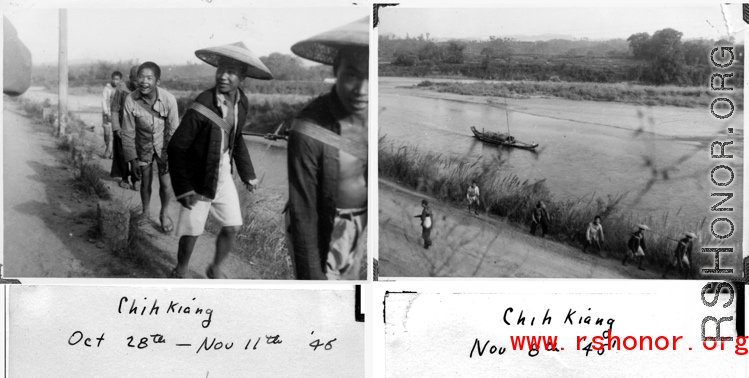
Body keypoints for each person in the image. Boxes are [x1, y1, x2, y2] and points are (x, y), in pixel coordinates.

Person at [167, 42, 270, 279]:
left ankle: (214, 268)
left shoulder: (241, 102)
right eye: (221, 70)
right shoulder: (204, 103)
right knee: (193, 229)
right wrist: (183, 188)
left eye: (232, 72)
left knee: (232, 225)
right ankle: (180, 270)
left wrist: (248, 174)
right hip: (199, 174)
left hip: (222, 173)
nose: (224, 76)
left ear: (242, 76)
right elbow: (176, 146)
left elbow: (236, 136)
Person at [286, 17, 369, 280]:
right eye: (353, 75)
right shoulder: (308, 129)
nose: (362, 90)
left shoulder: (377, 115)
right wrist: (313, 281)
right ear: (336, 70)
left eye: (372, 76)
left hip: (361, 222)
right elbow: (304, 213)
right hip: (327, 223)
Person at [121, 61, 179, 233]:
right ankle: (145, 213)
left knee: (165, 182)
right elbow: (128, 132)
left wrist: (172, 156)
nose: (144, 81)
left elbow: (174, 131)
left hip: (165, 145)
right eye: (141, 77)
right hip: (143, 144)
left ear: (158, 81)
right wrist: (132, 160)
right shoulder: (130, 100)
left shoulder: (169, 100)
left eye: (149, 78)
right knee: (145, 181)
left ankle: (164, 213)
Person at [110, 66, 140, 190]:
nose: (138, 84)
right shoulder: (121, 90)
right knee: (122, 155)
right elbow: (115, 110)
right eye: (135, 80)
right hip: (122, 128)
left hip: (137, 129)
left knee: (135, 156)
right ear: (130, 78)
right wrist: (117, 128)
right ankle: (124, 178)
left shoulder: (144, 91)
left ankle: (136, 179)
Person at [101, 71, 121, 159]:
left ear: (120, 80)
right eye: (113, 79)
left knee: (115, 134)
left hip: (116, 114)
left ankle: (112, 152)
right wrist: (106, 113)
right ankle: (107, 148)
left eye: (117, 80)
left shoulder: (121, 89)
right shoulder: (107, 88)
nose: (115, 81)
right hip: (107, 113)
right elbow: (103, 100)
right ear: (111, 79)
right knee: (106, 132)